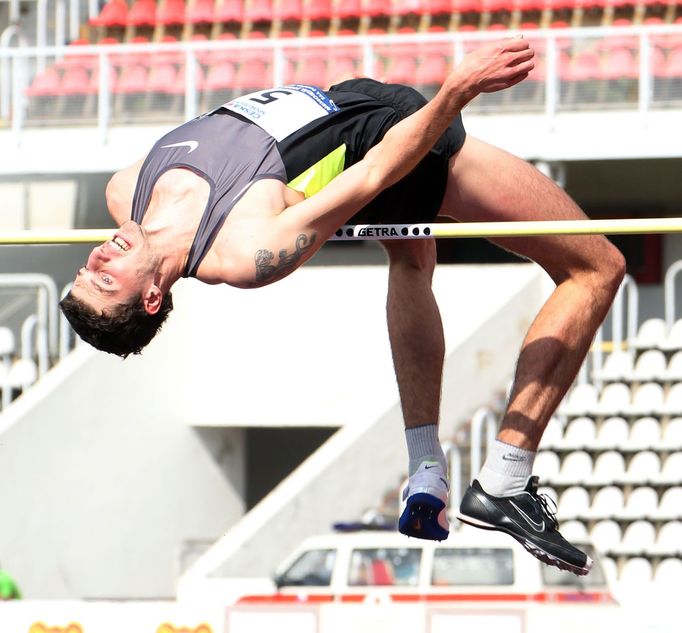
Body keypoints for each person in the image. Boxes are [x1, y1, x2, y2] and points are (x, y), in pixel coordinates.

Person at [60, 37, 625, 576]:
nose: (97, 260)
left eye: (87, 272)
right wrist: (457, 90)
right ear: (154, 297)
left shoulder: (125, 191)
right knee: (596, 266)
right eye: (105, 283)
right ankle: (506, 478)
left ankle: (427, 470)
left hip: (345, 100)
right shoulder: (244, 251)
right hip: (388, 142)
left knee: (411, 262)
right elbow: (376, 174)